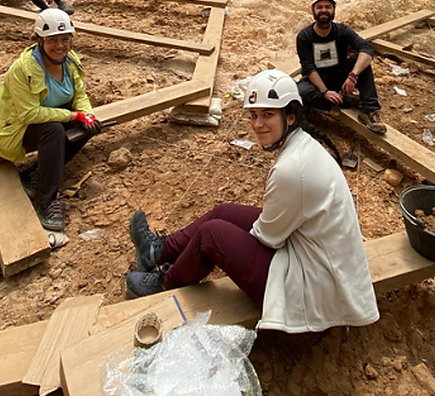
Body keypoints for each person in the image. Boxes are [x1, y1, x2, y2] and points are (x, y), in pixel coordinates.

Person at [125, 69, 379, 334]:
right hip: (314, 258)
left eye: (268, 114)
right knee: (224, 212)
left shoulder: (292, 169)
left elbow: (269, 238)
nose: (258, 124)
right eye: (254, 115)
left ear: (290, 117)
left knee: (211, 234)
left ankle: (167, 281)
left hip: (311, 290)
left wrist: (233, 239)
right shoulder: (304, 145)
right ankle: (156, 251)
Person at [0, 9, 103, 230]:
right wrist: (73, 114)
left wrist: (87, 115)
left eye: (65, 39)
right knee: (54, 130)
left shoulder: (70, 61)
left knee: (87, 126)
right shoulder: (24, 69)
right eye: (52, 40)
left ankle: (36, 174)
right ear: (40, 40)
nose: (60, 46)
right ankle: (48, 201)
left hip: (47, 118)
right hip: (14, 128)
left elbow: (80, 95)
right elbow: (29, 114)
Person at [295, 0, 387, 134]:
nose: (323, 11)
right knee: (301, 93)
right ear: (313, 11)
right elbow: (308, 68)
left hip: (340, 76)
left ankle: (370, 109)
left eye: (327, 7)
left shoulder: (342, 31)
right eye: (319, 7)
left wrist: (353, 76)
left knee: (362, 62)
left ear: (333, 10)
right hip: (317, 80)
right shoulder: (304, 36)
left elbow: (367, 49)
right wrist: (325, 91)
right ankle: (347, 101)